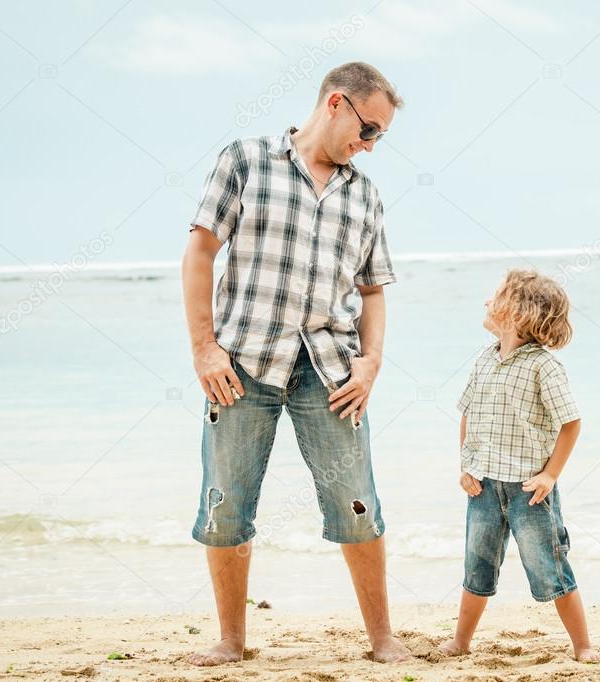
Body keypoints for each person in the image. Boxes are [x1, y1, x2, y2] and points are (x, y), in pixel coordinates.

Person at [181, 61, 410, 665]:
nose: (371, 146)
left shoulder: (364, 193)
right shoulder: (246, 160)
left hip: (331, 370)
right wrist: (204, 348)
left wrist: (372, 362)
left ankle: (382, 639)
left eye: (379, 136)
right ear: (336, 103)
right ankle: (232, 640)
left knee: (356, 502)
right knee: (226, 503)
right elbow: (200, 253)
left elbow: (374, 289)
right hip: (241, 363)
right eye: (371, 130)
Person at [437, 269, 600, 663]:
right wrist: (466, 465)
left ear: (518, 312)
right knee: (477, 564)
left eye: (495, 295)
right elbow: (467, 414)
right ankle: (461, 640)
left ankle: (582, 645)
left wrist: (550, 474)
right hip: (483, 486)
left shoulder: (542, 366)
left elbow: (571, 422)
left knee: (550, 564)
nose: (485, 301)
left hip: (529, 491)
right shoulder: (484, 358)